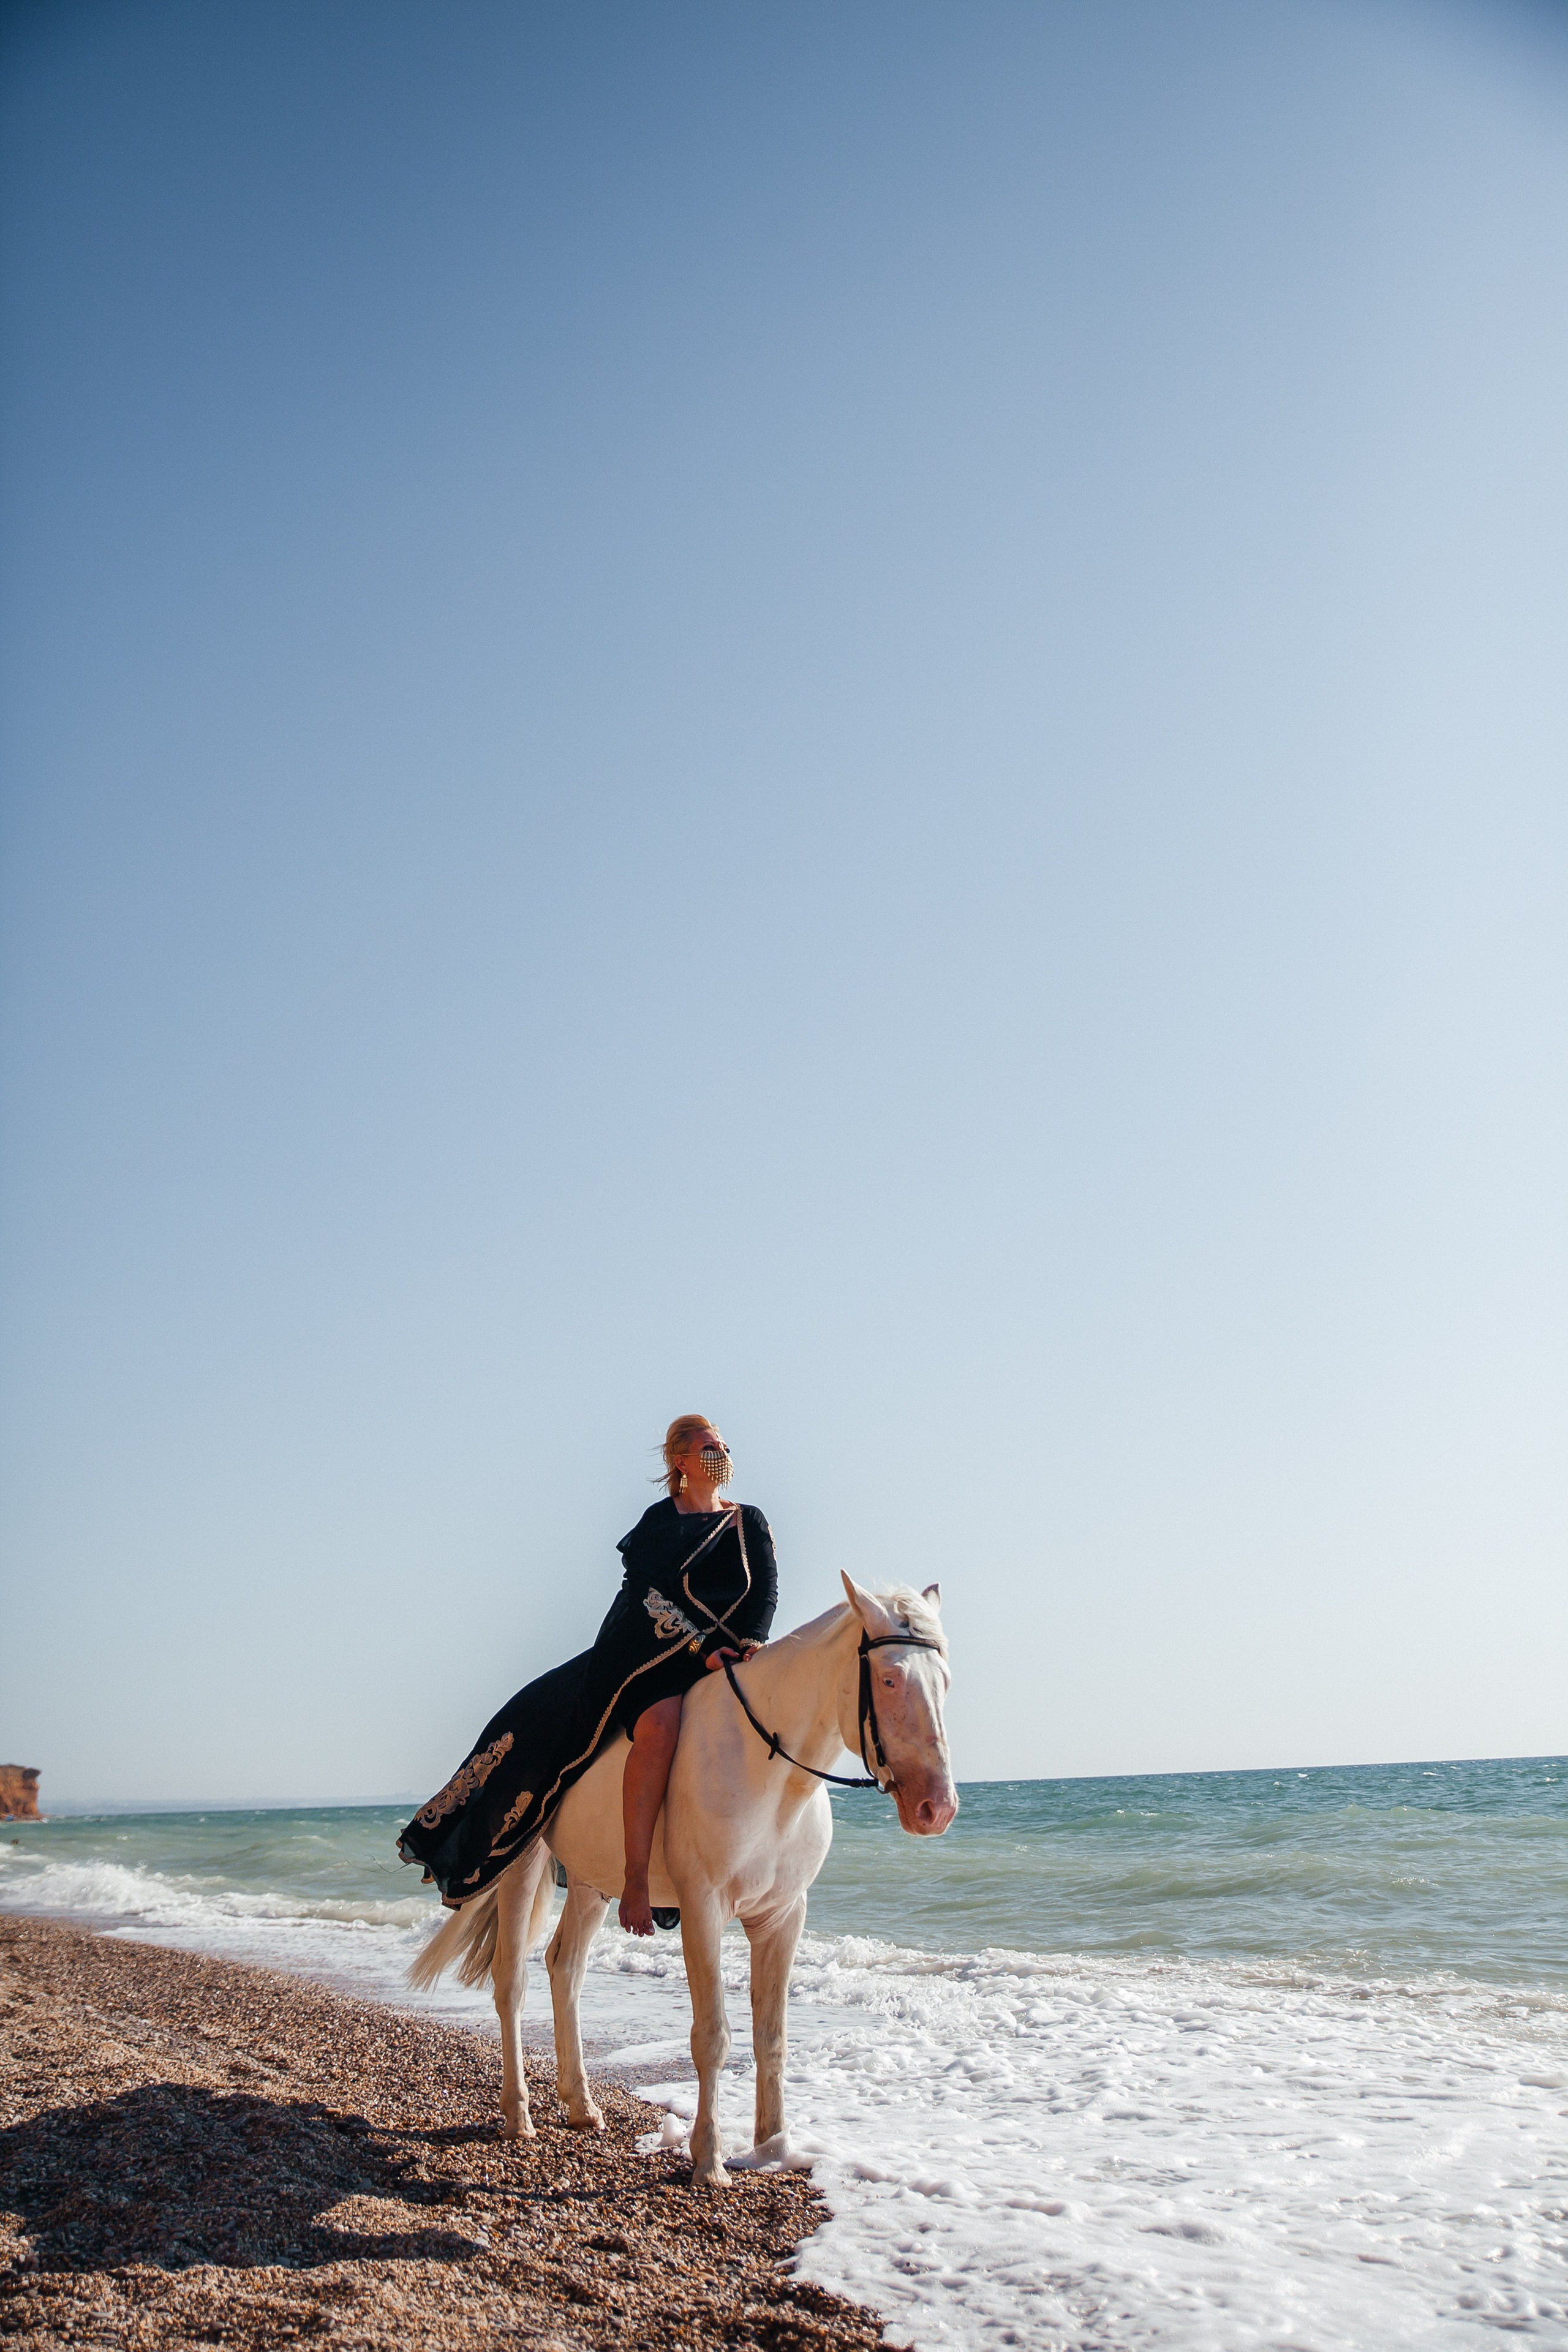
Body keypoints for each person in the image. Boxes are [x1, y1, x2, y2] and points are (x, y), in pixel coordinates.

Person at [398, 1415, 777, 1937]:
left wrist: (752, 1644)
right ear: (681, 1462)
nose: (723, 1454)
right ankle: (638, 1879)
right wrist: (704, 1648)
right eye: (711, 1448)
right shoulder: (658, 1522)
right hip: (651, 1655)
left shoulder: (749, 1522)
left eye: (726, 1446)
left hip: (729, 1658)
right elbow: (648, 1600)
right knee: (662, 1727)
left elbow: (765, 1594)